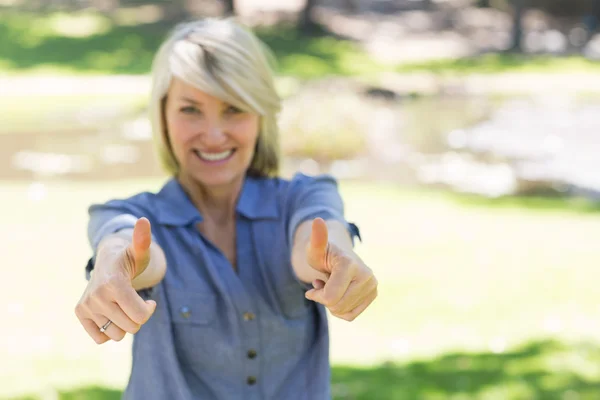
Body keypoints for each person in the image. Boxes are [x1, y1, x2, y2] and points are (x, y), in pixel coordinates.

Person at [74, 17, 378, 400]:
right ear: (163, 117)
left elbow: (317, 239)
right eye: (190, 110)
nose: (214, 135)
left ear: (260, 115)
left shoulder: (304, 197)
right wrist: (114, 267)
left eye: (234, 109)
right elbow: (125, 246)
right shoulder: (130, 216)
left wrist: (337, 261)